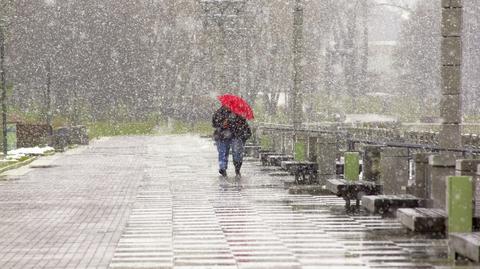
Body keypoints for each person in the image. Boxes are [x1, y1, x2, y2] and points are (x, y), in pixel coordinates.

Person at [212, 106, 252, 177]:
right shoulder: (220, 112)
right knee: (223, 152)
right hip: (222, 135)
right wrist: (222, 124)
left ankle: (237, 169)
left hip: (236, 135)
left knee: (237, 152)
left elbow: (243, 125)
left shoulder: (239, 113)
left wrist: (236, 124)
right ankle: (223, 168)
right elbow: (214, 123)